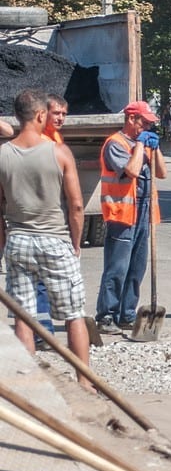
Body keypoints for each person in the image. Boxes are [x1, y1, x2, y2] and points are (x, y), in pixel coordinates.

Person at [0, 89, 92, 389]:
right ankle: (84, 380)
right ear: (41, 115)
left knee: (23, 315)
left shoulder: (2, 154)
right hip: (54, 239)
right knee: (73, 314)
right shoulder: (59, 153)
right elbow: (76, 205)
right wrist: (75, 243)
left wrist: (4, 242)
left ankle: (29, 381)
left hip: (18, 239)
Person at [94, 101, 167, 334]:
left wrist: (155, 149)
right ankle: (106, 315)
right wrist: (139, 146)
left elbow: (162, 173)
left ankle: (126, 313)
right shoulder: (115, 144)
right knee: (117, 268)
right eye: (144, 122)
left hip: (143, 213)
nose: (147, 127)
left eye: (149, 124)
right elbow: (132, 171)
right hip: (122, 215)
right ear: (131, 119)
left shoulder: (143, 144)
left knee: (136, 268)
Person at [33, 93, 69, 348]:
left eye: (64, 114)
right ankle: (42, 333)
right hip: (39, 221)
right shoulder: (37, 143)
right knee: (39, 281)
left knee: (47, 280)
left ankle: (42, 331)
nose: (60, 118)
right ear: (42, 114)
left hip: (53, 217)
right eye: (56, 113)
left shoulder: (55, 139)